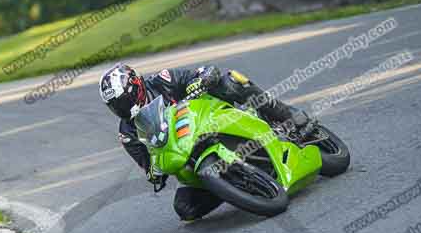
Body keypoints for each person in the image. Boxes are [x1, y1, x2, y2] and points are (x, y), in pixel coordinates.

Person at [99, 63, 317, 221]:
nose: (122, 108)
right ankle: (231, 185)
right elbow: (148, 169)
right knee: (184, 208)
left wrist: (200, 80)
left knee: (232, 81)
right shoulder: (127, 132)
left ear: (137, 86)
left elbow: (204, 72)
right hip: (187, 156)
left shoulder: (162, 80)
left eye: (124, 100)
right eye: (115, 105)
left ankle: (288, 117)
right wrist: (155, 172)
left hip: (208, 119)